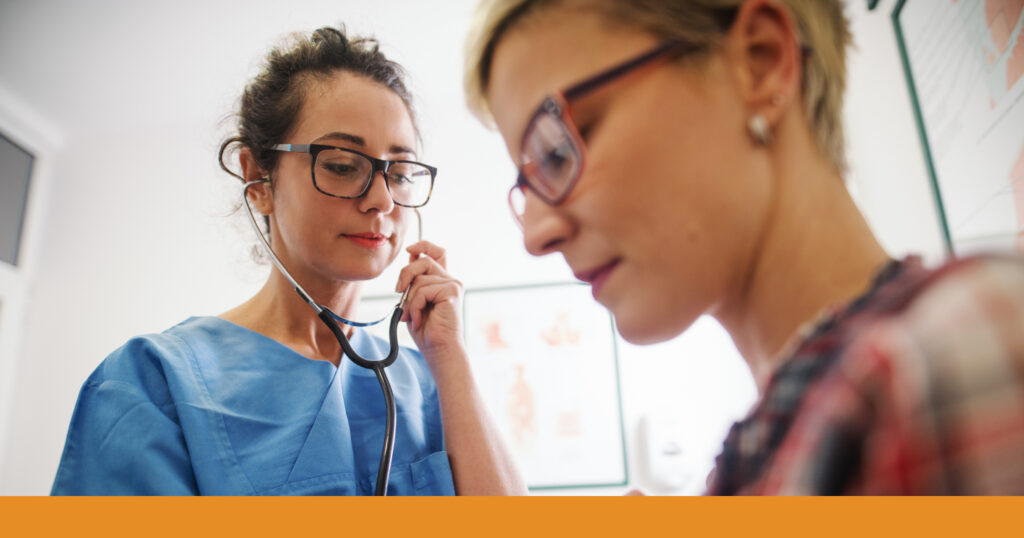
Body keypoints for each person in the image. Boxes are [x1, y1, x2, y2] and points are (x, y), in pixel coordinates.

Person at [464, 0, 1024, 494]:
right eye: (527, 183)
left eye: (557, 152)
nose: (535, 235)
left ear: (760, 60)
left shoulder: (953, 355)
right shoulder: (781, 436)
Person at [52, 26, 525, 495]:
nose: (382, 199)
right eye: (342, 165)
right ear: (259, 180)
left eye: (399, 173)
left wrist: (450, 357)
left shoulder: (432, 384)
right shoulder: (154, 383)